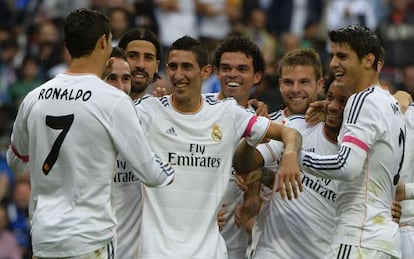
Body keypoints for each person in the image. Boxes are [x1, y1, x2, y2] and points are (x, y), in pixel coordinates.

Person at [6, 8, 174, 258]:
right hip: (89, 238)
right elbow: (151, 174)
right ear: (104, 42)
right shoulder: (113, 100)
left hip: (45, 238)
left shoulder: (35, 98)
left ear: (67, 45)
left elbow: (16, 163)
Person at [135, 35, 302, 258]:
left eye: (186, 67)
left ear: (205, 72)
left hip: (222, 246)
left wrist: (288, 157)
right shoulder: (151, 110)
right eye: (173, 67)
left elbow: (282, 139)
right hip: (160, 248)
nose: (178, 74)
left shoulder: (233, 115)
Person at [299, 25, 405, 258]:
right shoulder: (391, 104)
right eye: (333, 55)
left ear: (368, 60)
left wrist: (294, 155)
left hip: (359, 237)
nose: (333, 63)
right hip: (383, 241)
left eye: (343, 56)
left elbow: (346, 167)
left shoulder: (361, 99)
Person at [211, 34, 267, 259]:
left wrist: (254, 195)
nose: (232, 74)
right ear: (217, 72)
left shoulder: (265, 127)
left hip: (232, 247)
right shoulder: (196, 109)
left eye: (242, 69)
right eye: (226, 68)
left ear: (257, 76)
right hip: (190, 242)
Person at [112, 28, 162, 259]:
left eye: (148, 58)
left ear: (157, 65)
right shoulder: (93, 109)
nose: (140, 64)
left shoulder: (166, 111)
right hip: (98, 243)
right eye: (133, 56)